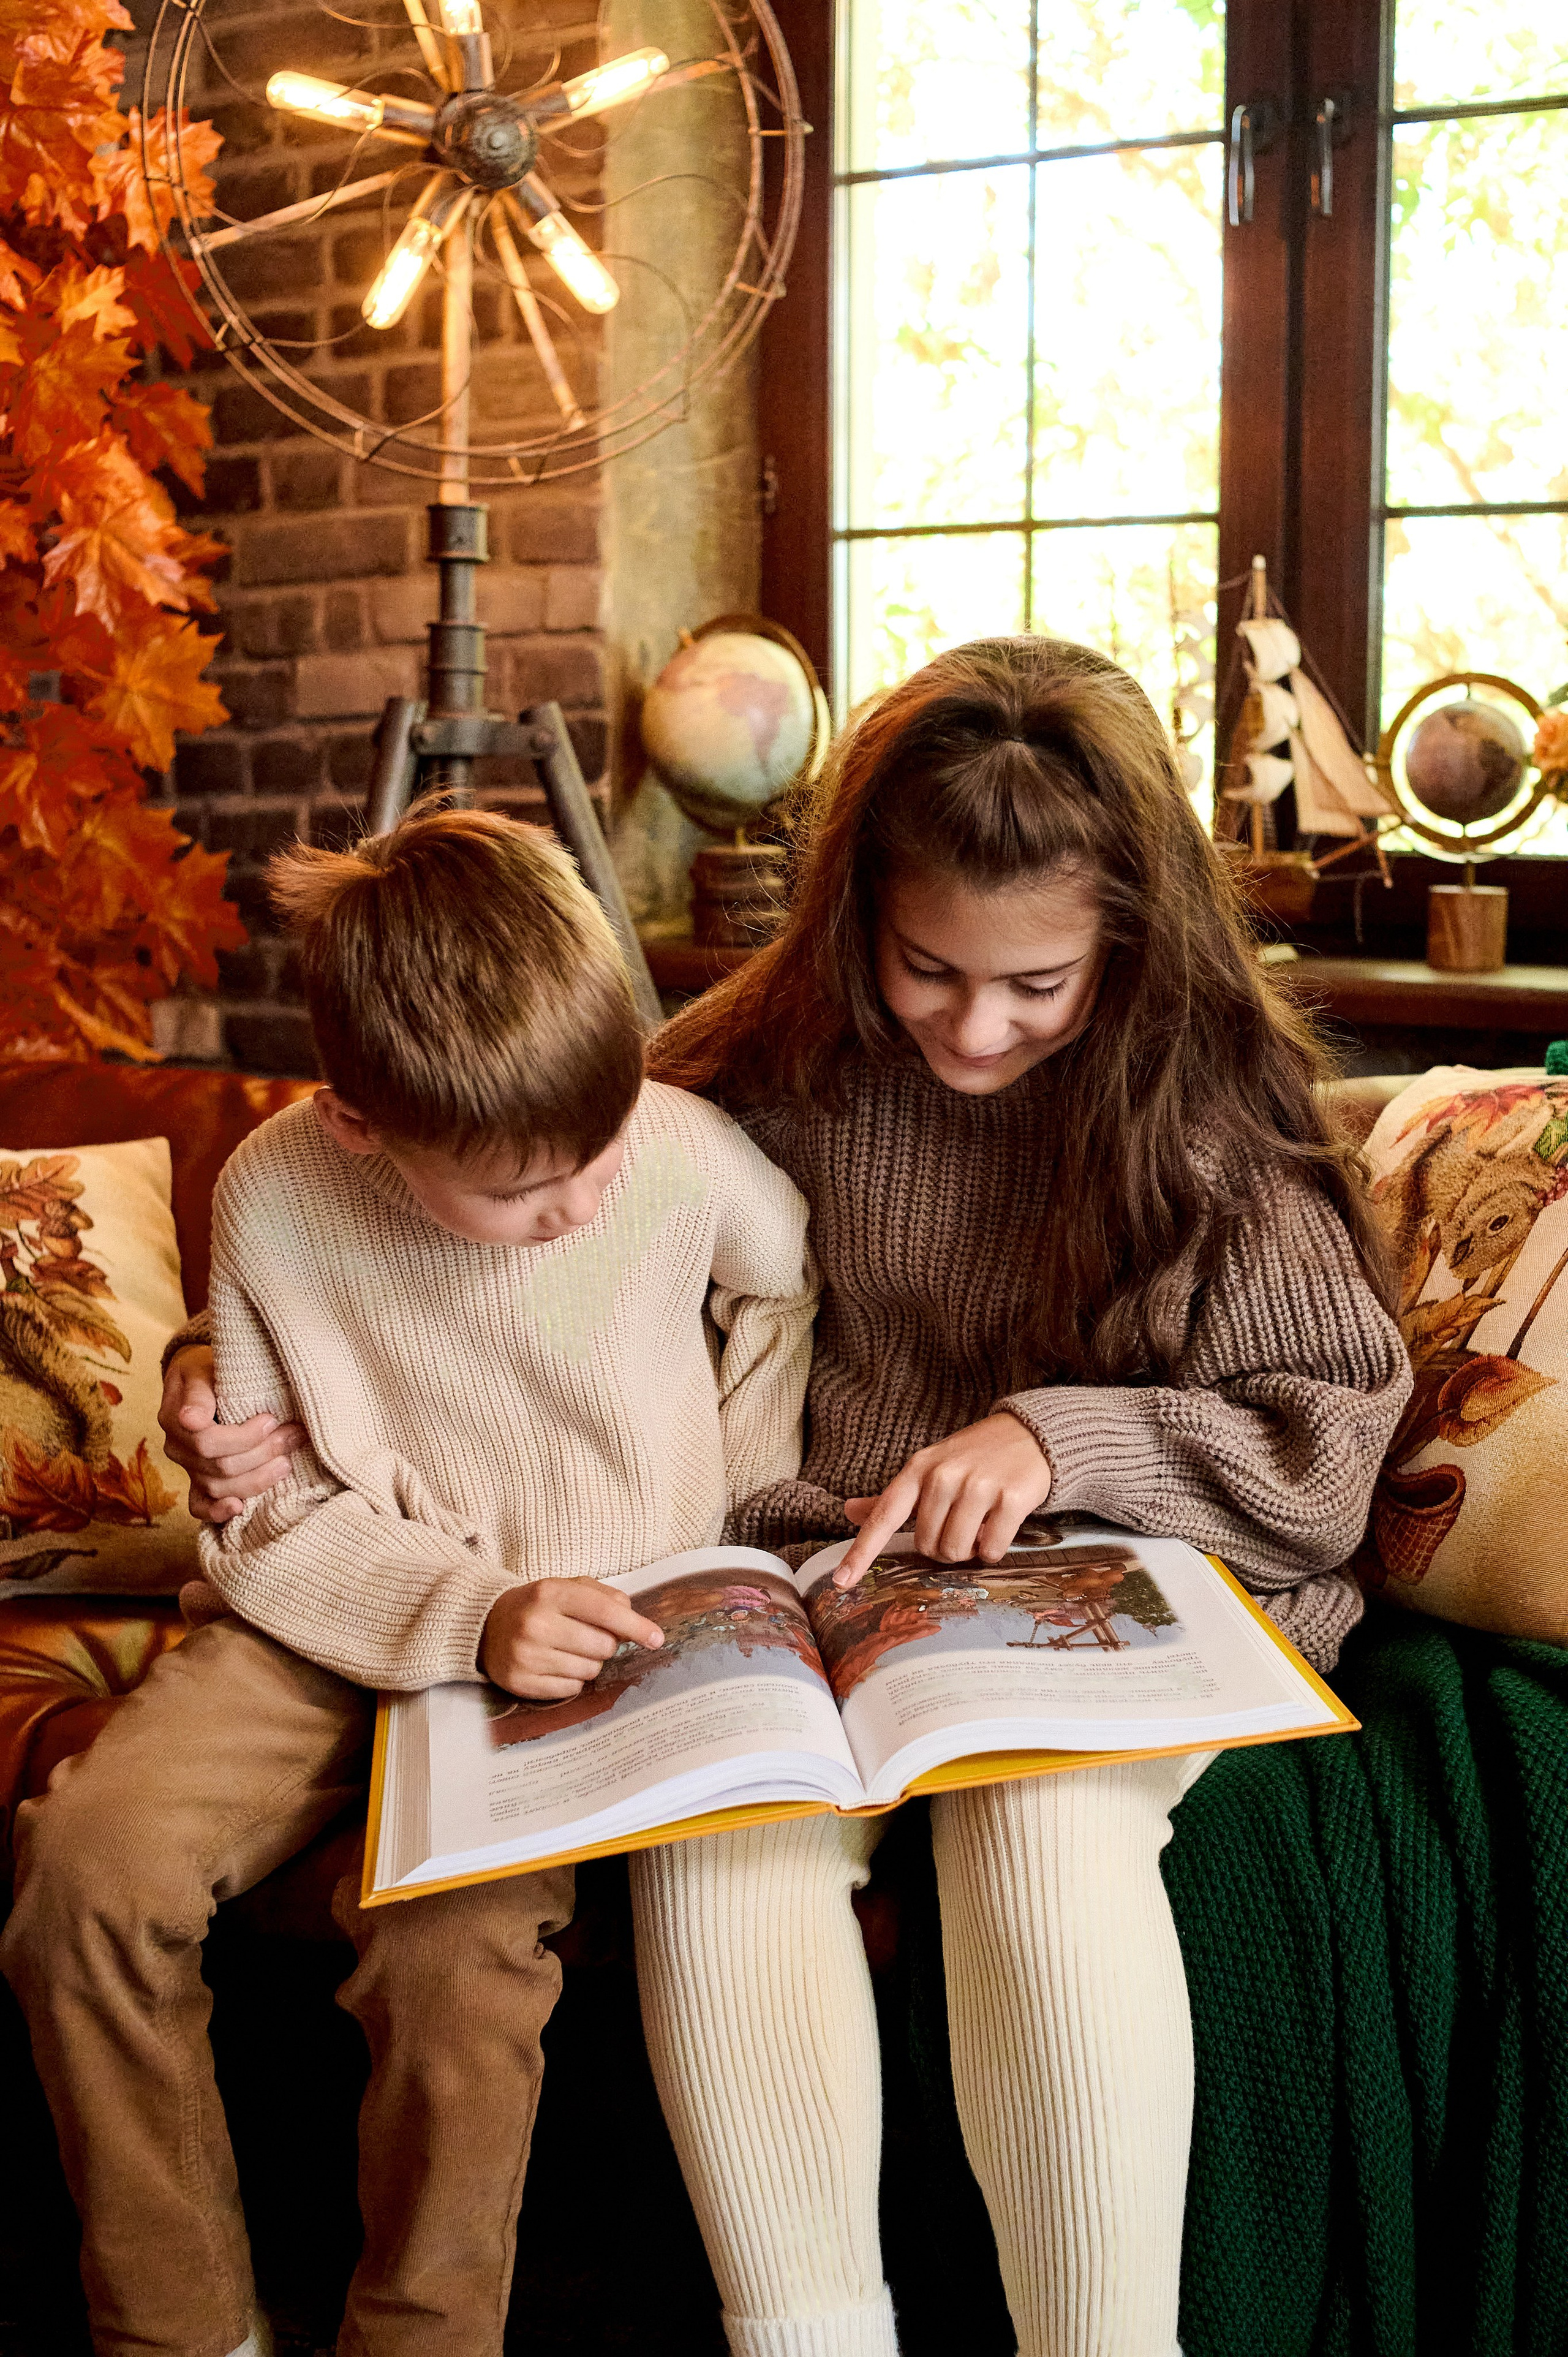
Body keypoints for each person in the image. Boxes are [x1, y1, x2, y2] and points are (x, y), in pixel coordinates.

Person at [160, 638, 1412, 2357]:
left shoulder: (1198, 1106)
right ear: (856, 919)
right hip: (821, 1586)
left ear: (1130, 936)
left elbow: (1328, 1441)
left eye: (1036, 985)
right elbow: (479, 1183)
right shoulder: (764, 1050)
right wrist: (211, 1370)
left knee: (1038, 1832)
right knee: (719, 1846)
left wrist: (1063, 1442)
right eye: (927, 970)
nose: (976, 1028)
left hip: (1120, 1592)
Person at [2, 806, 818, 2357]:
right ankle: (179, 2330)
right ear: (362, 1123)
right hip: (322, 1619)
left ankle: (420, 2340)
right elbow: (268, 1510)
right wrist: (464, 1613)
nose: (577, 1206)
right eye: (519, 1193)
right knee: (85, 1882)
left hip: (593, 1641)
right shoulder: (273, 1190)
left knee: (454, 1966)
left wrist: (727, 1524)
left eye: (599, 1152)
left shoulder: (677, 1147)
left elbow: (783, 1286)